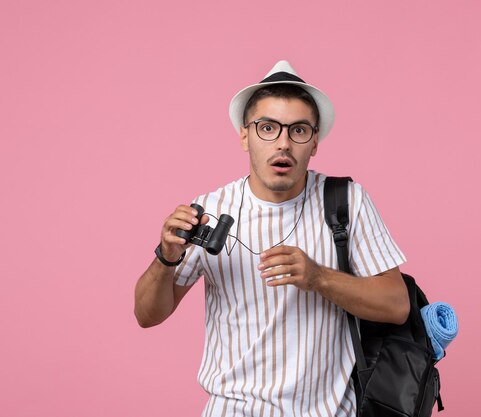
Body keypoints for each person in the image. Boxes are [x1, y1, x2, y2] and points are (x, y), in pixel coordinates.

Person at [134, 60, 410, 417]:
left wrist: (319, 277)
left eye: (298, 131)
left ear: (314, 142)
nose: (283, 143)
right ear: (244, 136)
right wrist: (166, 256)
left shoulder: (346, 201)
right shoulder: (210, 211)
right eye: (268, 128)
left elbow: (397, 305)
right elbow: (146, 314)